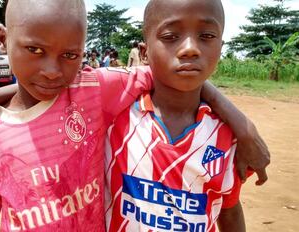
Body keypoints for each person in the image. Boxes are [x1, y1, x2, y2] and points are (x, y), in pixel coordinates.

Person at [0, 0, 269, 231]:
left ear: (83, 52)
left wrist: (243, 126)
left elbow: (173, 75)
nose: (51, 70)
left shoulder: (93, 93)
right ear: (3, 39)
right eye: (35, 50)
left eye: (70, 55)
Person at [105, 0, 254, 231]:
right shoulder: (116, 121)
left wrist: (244, 129)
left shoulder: (226, 135)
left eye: (206, 35)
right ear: (145, 52)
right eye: (170, 36)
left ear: (221, 48)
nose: (190, 48)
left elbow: (229, 209)